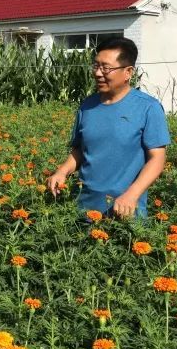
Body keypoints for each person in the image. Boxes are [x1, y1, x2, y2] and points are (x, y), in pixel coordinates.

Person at [48, 37, 170, 219]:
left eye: (106, 68)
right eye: (96, 66)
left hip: (126, 212)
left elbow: (157, 159)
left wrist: (132, 194)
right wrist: (62, 171)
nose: (98, 73)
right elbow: (80, 150)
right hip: (82, 210)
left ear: (128, 72)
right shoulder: (87, 106)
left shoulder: (148, 108)